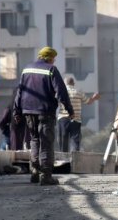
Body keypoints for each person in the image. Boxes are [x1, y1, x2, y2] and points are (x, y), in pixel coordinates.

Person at [14, 47, 73, 185]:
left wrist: (16, 111)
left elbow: (20, 92)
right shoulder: (51, 69)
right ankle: (46, 175)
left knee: (35, 139)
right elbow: (61, 91)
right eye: (54, 59)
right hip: (45, 111)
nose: (54, 61)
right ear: (50, 58)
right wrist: (69, 110)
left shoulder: (26, 69)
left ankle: (35, 171)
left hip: (28, 111)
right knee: (46, 142)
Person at [57, 76, 100, 152]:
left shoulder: (61, 92)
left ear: (64, 83)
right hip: (76, 120)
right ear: (73, 83)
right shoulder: (79, 92)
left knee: (63, 141)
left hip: (63, 119)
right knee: (75, 140)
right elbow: (88, 102)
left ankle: (63, 158)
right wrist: (94, 98)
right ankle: (75, 157)